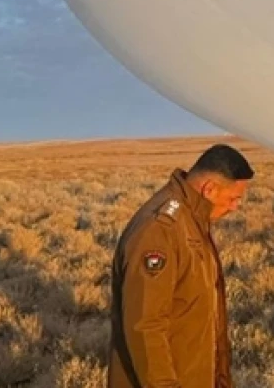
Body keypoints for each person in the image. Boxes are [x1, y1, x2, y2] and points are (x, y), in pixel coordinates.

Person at [108, 143, 254, 388]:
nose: (235, 207)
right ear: (209, 189)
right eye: (233, 198)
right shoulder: (161, 231)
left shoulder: (193, 220)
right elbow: (146, 327)